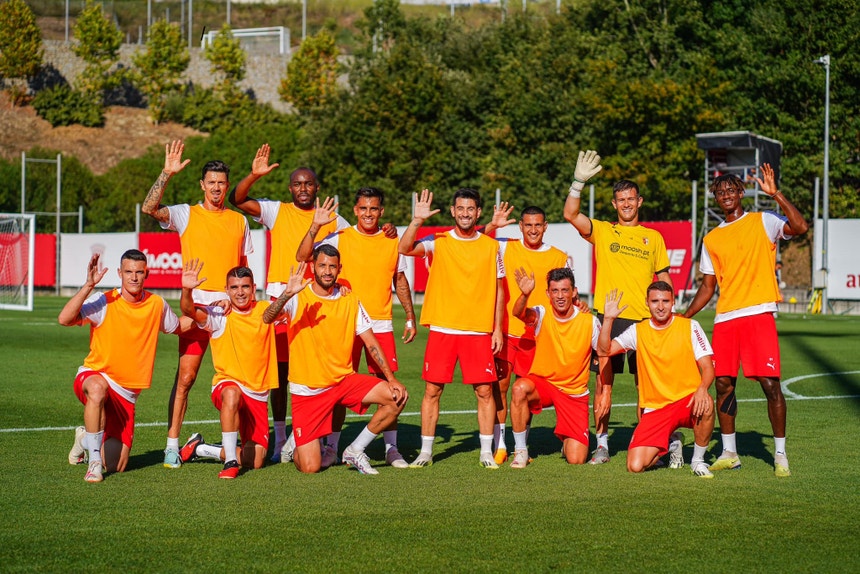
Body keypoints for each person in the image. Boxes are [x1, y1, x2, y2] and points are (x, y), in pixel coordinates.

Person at [684, 163, 808, 477]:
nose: (725, 195)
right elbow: (708, 286)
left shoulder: (763, 221)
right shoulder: (711, 239)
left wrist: (775, 193)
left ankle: (780, 454)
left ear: (741, 193)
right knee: (723, 384)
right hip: (726, 319)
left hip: (758, 315)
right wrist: (683, 316)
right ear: (716, 198)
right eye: (720, 192)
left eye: (731, 190)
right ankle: (729, 452)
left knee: (770, 384)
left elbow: (800, 227)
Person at [228, 145, 350, 461]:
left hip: (316, 303)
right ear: (290, 188)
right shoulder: (277, 210)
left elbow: (359, 244)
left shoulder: (334, 219)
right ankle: (282, 437)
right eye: (297, 183)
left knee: (317, 369)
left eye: (309, 183)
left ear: (317, 187)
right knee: (280, 373)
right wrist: (254, 175)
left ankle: (310, 434)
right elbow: (237, 199)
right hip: (282, 300)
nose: (303, 189)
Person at [141, 140, 253, 469]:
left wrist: (246, 303)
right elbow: (150, 209)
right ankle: (172, 445)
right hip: (197, 309)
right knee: (186, 378)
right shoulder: (186, 214)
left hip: (230, 311)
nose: (217, 188)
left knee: (241, 379)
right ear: (202, 185)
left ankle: (238, 441)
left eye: (222, 183)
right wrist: (166, 172)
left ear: (226, 186)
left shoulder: (238, 221)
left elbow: (245, 267)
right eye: (211, 183)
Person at [563, 150, 672, 465]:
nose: (626, 203)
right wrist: (578, 183)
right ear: (614, 204)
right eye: (620, 199)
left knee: (646, 388)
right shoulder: (603, 230)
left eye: (631, 199)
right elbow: (571, 214)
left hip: (643, 320)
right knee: (603, 384)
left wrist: (668, 310)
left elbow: (663, 279)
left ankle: (648, 441)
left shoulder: (653, 238)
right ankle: (602, 444)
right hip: (608, 319)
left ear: (640, 202)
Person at [296, 187, 416, 468]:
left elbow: (399, 280)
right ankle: (332, 447)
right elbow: (303, 256)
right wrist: (315, 226)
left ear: (382, 211)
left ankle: (391, 449)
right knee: (340, 383)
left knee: (390, 387)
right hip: (345, 322)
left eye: (374, 209)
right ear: (355, 210)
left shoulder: (392, 241)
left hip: (381, 323)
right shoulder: (341, 237)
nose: (369, 214)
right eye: (363, 209)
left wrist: (410, 315)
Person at [399, 188, 505, 469]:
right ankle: (426, 451)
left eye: (471, 209)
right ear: (453, 211)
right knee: (432, 391)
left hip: (478, 331)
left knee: (484, 392)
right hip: (444, 329)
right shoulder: (439, 242)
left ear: (478, 212)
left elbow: (499, 290)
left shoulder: (492, 247)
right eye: (461, 208)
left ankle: (485, 452)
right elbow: (404, 248)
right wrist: (416, 220)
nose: (466, 213)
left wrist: (496, 328)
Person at [279, 245, 408, 475]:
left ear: (339, 269)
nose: (327, 271)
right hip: (308, 390)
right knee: (310, 467)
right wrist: (286, 294)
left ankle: (355, 449)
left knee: (396, 397)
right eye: (322, 265)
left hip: (342, 382)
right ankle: (298, 441)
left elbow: (371, 342)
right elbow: (268, 317)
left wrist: (391, 378)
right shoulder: (298, 296)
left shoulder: (351, 299)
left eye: (332, 266)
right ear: (312, 267)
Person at [59, 250, 182, 482]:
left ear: (147, 273)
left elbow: (178, 326)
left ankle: (85, 439)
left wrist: (210, 314)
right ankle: (93, 463)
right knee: (97, 389)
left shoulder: (157, 304)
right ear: (119, 273)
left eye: (138, 272)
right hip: (96, 377)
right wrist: (88, 286)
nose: (133, 277)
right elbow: (65, 319)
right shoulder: (105, 300)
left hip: (127, 396)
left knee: (116, 464)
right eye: (128, 272)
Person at [177, 261, 285, 479]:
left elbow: (292, 307)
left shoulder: (265, 310)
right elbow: (189, 310)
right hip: (228, 386)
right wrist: (187, 289)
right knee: (232, 392)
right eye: (234, 288)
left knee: (255, 461)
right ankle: (229, 462)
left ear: (254, 289)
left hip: (257, 393)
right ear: (226, 290)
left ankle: (201, 448)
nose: (240, 292)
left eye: (245, 286)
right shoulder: (219, 315)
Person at [598, 284, 715, 477]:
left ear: (673, 302)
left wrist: (703, 388)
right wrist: (609, 319)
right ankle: (672, 443)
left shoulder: (690, 326)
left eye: (665, 301)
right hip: (655, 408)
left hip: (687, 401)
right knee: (635, 466)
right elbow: (605, 350)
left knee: (708, 403)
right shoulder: (638, 330)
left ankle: (698, 461)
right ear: (647, 303)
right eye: (655, 301)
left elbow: (708, 367)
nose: (660, 306)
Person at [487, 206, 572, 464]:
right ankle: (499, 444)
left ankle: (521, 444)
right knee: (500, 387)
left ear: (545, 226)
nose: (533, 230)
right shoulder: (506, 247)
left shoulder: (559, 256)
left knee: (523, 390)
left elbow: (568, 292)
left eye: (538, 225)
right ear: (520, 227)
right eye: (528, 225)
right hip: (507, 331)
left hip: (537, 335)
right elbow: (477, 242)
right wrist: (492, 225)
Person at [507, 267, 602, 468]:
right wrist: (525, 294)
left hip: (574, 393)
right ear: (548, 293)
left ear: (574, 292)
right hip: (544, 384)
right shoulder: (542, 313)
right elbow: (519, 313)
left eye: (565, 290)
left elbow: (603, 353)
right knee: (519, 388)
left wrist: (605, 390)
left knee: (576, 459)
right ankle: (521, 450)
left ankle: (566, 439)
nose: (560, 296)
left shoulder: (589, 321)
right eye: (555, 291)